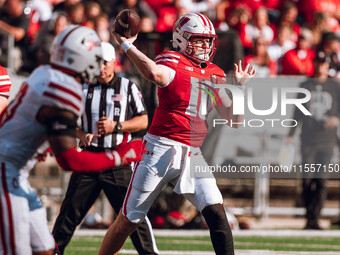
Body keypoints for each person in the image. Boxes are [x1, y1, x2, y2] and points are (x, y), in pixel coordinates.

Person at [98, 13, 255, 255]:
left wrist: (240, 91)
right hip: (159, 150)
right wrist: (126, 43)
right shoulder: (171, 60)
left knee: (216, 213)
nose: (205, 46)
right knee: (127, 221)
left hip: (193, 154)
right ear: (181, 39)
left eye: (207, 41)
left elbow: (234, 121)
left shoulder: (216, 73)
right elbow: (153, 73)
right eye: (199, 40)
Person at [0, 25, 145, 255]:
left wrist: (36, 143)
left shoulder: (45, 72)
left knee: (47, 249)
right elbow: (70, 161)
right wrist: (119, 156)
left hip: (16, 172)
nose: (99, 64)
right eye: (96, 57)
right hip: (5, 175)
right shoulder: (63, 88)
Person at [52, 42, 159, 255]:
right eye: (97, 62)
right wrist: (81, 134)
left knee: (132, 215)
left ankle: (149, 253)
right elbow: (65, 120)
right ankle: (52, 252)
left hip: (118, 159)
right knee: (68, 214)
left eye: (105, 63)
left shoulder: (128, 86)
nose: (101, 67)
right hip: (90, 158)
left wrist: (116, 126)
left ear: (114, 63)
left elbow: (143, 121)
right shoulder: (81, 87)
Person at [286, 51, 340, 230]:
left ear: (328, 65)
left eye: (323, 62)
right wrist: (291, 133)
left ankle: (315, 218)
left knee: (322, 180)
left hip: (327, 140)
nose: (320, 65)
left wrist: (337, 119)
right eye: (318, 61)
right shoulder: (305, 85)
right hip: (308, 139)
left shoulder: (335, 86)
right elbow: (297, 112)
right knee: (307, 179)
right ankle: (309, 217)